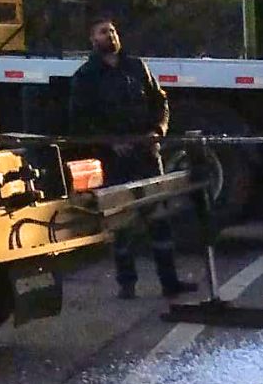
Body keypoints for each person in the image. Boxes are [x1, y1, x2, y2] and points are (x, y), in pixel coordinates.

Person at [69, 16, 193, 300]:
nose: (110, 35)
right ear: (92, 39)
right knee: (121, 223)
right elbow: (80, 120)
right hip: (114, 159)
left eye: (112, 30)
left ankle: (170, 282)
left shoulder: (137, 67)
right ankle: (127, 284)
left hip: (147, 154)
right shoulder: (86, 76)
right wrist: (111, 142)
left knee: (159, 218)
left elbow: (159, 102)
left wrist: (158, 130)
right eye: (103, 32)